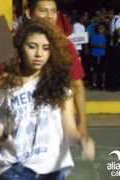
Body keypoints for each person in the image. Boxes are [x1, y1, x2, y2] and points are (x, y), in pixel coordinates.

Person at [0, 17, 95, 180]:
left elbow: (69, 129)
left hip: (54, 169)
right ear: (20, 47)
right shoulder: (5, 83)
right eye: (32, 46)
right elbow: (3, 139)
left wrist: (82, 140)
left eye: (45, 48)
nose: (39, 54)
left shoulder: (60, 84)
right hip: (16, 169)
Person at [24, 0, 91, 143]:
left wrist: (82, 122)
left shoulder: (66, 46)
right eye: (43, 11)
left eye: (53, 11)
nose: (49, 16)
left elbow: (77, 86)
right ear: (29, 13)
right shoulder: (16, 43)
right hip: (22, 119)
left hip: (55, 122)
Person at [89, 23, 108, 90]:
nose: (101, 29)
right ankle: (94, 84)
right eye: (100, 28)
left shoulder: (105, 36)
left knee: (103, 71)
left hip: (103, 56)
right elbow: (92, 45)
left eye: (102, 28)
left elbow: (105, 46)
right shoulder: (93, 36)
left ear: (104, 29)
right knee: (94, 71)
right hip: (94, 55)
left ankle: (103, 85)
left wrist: (97, 46)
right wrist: (100, 46)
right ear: (97, 29)